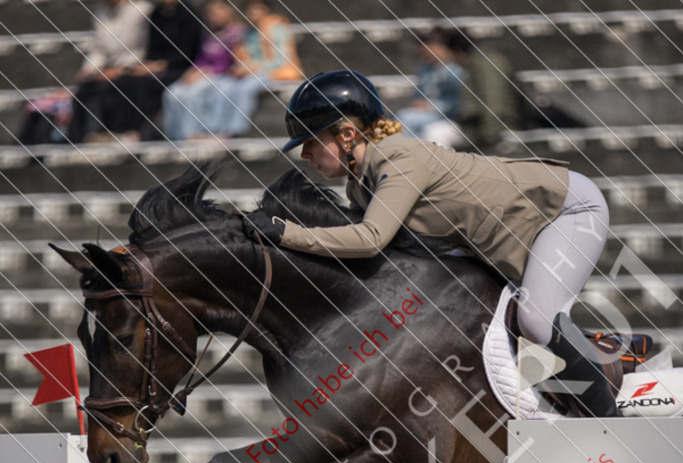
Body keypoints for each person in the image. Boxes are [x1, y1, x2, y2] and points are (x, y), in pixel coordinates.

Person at [243, 69, 619, 417]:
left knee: (536, 321)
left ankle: (611, 425)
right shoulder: (360, 186)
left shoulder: (398, 159)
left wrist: (285, 232)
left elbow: (370, 240)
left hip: (567, 211)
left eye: (311, 141)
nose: (304, 154)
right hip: (521, 236)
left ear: (346, 134)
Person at [103, 0, 202, 141]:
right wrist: (148, 65)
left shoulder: (188, 13)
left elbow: (187, 52)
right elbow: (152, 48)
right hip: (156, 66)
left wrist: (161, 64)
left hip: (180, 67)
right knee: (126, 80)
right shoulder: (156, 14)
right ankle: (117, 130)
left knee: (143, 84)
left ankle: (134, 132)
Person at [207, 0, 303, 139]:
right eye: (250, 10)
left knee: (245, 88)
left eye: (257, 9)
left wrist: (253, 69)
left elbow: (280, 60)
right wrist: (242, 68)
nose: (253, 13)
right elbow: (246, 56)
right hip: (253, 72)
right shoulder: (248, 31)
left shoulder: (277, 28)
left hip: (276, 72)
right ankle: (214, 129)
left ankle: (235, 131)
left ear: (266, 10)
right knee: (223, 86)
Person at [69, 0, 152, 144]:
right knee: (85, 88)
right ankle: (83, 138)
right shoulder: (100, 14)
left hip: (133, 66)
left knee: (115, 87)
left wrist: (121, 69)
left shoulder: (142, 11)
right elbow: (98, 48)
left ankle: (116, 133)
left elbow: (142, 49)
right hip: (108, 68)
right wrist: (89, 69)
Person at [162, 0, 244, 140]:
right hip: (203, 73)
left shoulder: (237, 33)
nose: (215, 15)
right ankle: (174, 136)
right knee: (172, 93)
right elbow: (200, 58)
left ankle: (190, 135)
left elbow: (231, 61)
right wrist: (191, 72)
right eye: (211, 12)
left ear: (229, 11)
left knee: (191, 95)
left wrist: (207, 73)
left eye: (219, 10)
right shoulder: (207, 34)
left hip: (221, 75)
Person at [396, 27, 466, 149]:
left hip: (450, 116)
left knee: (405, 119)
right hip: (429, 115)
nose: (424, 51)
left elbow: (460, 102)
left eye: (429, 46)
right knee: (404, 119)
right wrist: (416, 103)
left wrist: (431, 106)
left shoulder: (456, 70)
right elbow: (419, 93)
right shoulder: (425, 68)